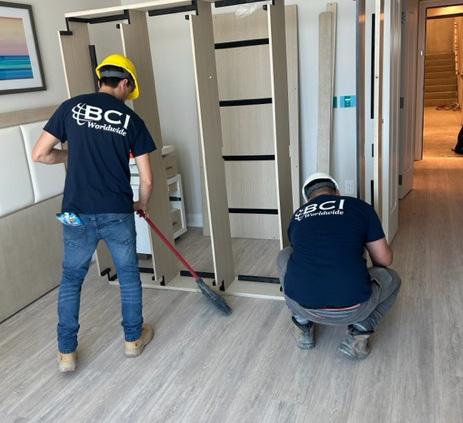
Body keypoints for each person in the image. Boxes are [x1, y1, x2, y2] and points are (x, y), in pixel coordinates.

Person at [32, 54, 155, 372]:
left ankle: (66, 353)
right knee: (128, 276)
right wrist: (141, 204)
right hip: (117, 210)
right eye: (129, 89)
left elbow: (39, 154)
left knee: (71, 279)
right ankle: (133, 340)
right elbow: (147, 178)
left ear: (102, 78)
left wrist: (69, 155)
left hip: (75, 212)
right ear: (125, 83)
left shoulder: (70, 107)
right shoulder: (131, 120)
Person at [277, 173, 401, 359]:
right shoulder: (360, 207)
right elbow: (384, 261)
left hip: (303, 305)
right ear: (337, 192)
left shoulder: (298, 216)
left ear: (307, 200)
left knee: (284, 255)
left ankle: (302, 326)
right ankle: (359, 333)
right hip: (355, 308)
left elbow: (302, 258)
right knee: (393, 279)